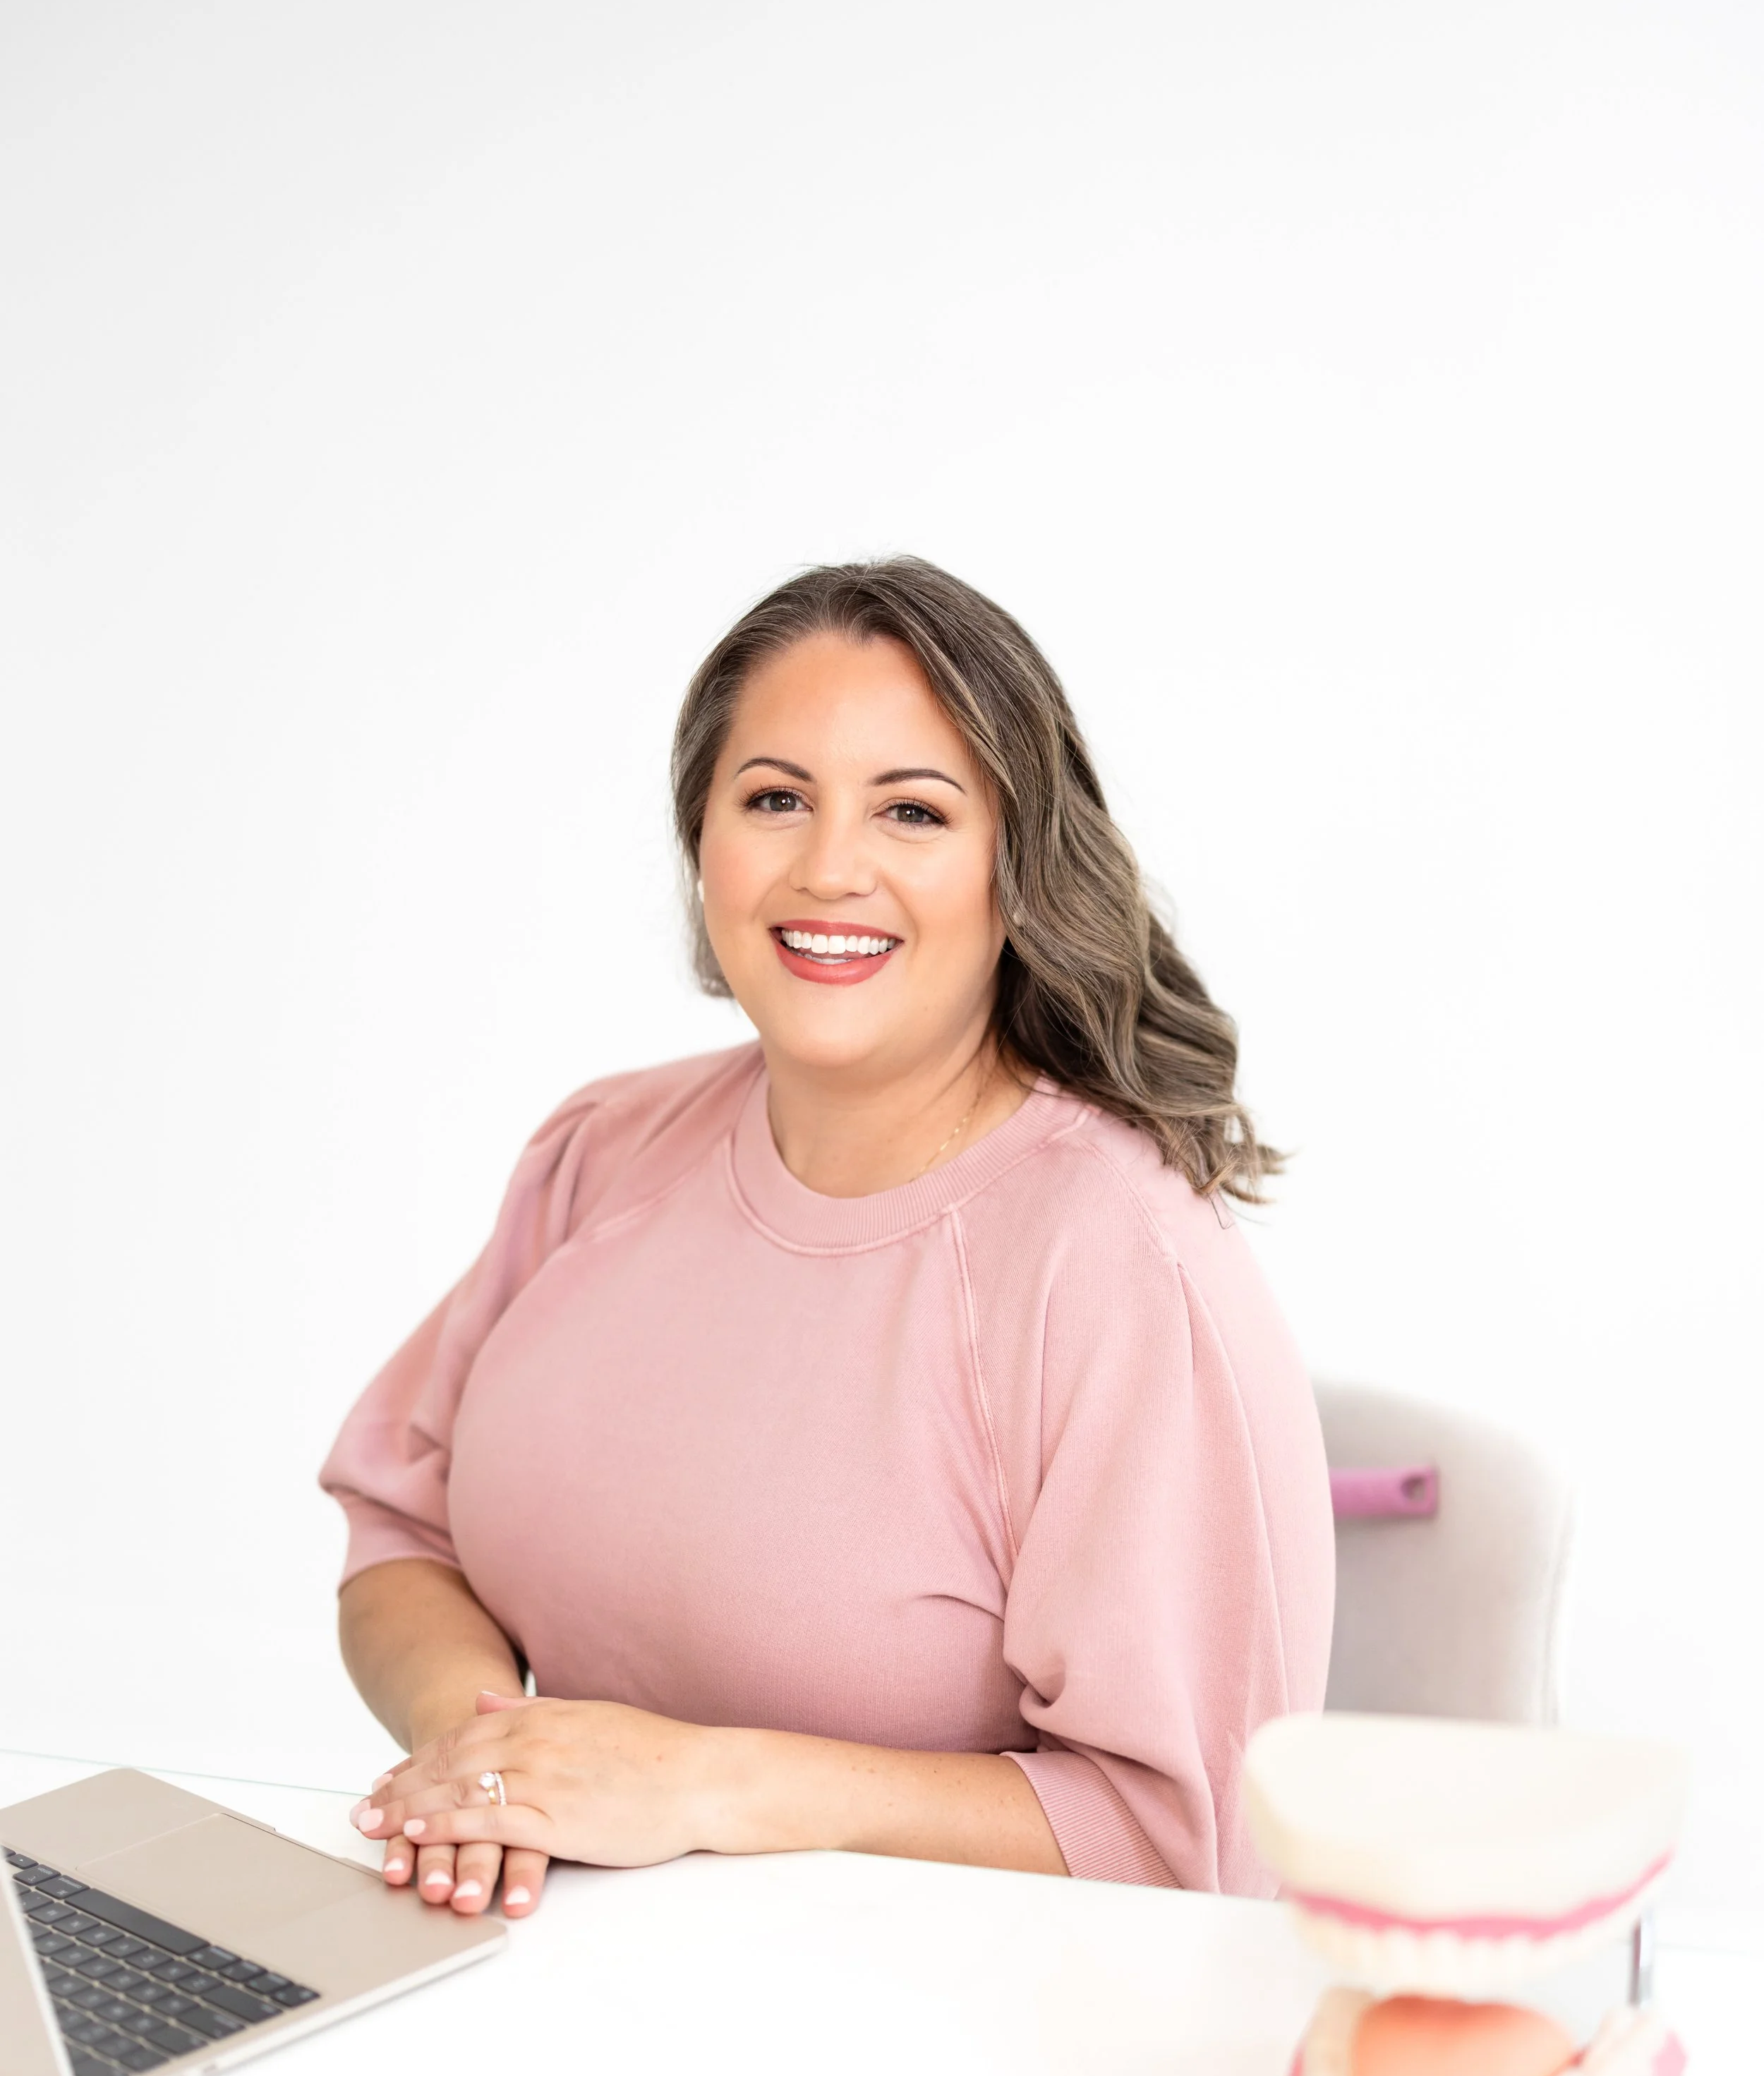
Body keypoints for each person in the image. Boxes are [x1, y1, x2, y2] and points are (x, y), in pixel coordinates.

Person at [322, 557, 1333, 1919]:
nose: (830, 867)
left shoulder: (1111, 1260)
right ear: (703, 840)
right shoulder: (601, 1151)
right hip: (553, 1989)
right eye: (776, 798)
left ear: (1019, 868)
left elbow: (1189, 1843)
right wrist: (493, 1762)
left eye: (911, 810)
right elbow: (401, 1529)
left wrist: (703, 1787)